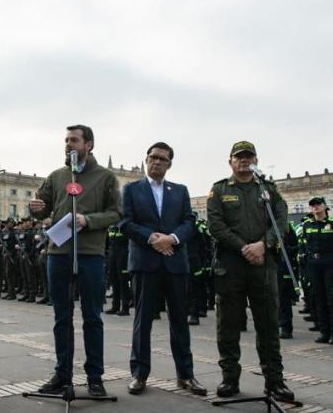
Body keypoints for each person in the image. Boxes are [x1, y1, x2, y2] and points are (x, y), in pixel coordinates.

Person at [29, 124, 121, 397]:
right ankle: (62, 374)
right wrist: (36, 209)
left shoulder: (105, 177)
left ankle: (95, 377)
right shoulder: (57, 176)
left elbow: (116, 212)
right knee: (61, 316)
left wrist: (88, 220)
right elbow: (42, 207)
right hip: (58, 253)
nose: (68, 144)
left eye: (74, 140)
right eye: (66, 140)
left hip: (90, 254)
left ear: (88, 145)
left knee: (92, 317)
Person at [207, 141, 294, 402]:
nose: (244, 161)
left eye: (249, 156)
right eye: (239, 157)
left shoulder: (268, 189)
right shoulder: (219, 189)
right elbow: (216, 225)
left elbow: (281, 221)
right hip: (231, 266)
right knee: (228, 326)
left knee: (268, 325)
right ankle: (230, 379)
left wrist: (262, 245)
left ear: (255, 159)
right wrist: (245, 247)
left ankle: (274, 381)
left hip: (262, 266)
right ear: (230, 161)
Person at [121, 142, 206, 396]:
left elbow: (189, 222)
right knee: (142, 321)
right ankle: (139, 374)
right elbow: (125, 222)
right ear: (146, 160)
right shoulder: (132, 189)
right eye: (152, 157)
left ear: (169, 164)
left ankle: (186, 375)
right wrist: (153, 239)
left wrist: (172, 239)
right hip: (145, 263)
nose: (156, 162)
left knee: (180, 320)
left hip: (175, 263)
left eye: (162, 159)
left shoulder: (179, 191)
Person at [301, 197, 333, 344]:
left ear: (325, 206)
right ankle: (324, 332)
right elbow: (306, 246)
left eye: (318, 204)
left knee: (330, 298)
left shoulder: (331, 223)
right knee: (318, 298)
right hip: (313, 264)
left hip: (329, 264)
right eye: (312, 205)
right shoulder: (307, 225)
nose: (315, 207)